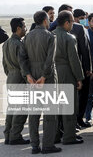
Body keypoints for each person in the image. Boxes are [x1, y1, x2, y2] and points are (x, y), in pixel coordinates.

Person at [23, 11, 61, 154]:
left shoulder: (27, 37)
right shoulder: (50, 36)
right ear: (45, 20)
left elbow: (22, 58)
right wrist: (44, 77)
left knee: (33, 114)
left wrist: (28, 75)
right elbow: (50, 60)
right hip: (48, 78)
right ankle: (47, 145)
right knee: (50, 113)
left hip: (32, 78)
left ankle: (34, 145)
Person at [53, 11, 85, 145]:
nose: (73, 24)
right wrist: (79, 77)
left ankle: (54, 135)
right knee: (69, 107)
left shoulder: (50, 35)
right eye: (72, 22)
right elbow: (74, 60)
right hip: (67, 73)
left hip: (53, 73)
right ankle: (69, 136)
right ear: (66, 23)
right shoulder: (69, 38)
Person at [2, 18, 30, 146]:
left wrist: (11, 74)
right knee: (21, 109)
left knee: (12, 108)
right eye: (24, 26)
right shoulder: (19, 44)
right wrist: (27, 79)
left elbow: (4, 64)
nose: (26, 28)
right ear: (18, 28)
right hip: (19, 78)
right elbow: (23, 64)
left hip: (11, 77)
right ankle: (15, 136)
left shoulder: (7, 43)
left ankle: (8, 135)